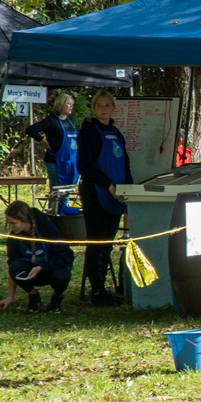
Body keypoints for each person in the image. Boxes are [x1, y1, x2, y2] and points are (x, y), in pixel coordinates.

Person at [75, 92, 130, 306]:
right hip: (95, 192)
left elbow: (125, 162)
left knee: (107, 243)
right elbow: (85, 166)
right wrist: (108, 184)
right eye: (99, 105)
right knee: (96, 242)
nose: (103, 109)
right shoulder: (88, 131)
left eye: (107, 105)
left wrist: (128, 187)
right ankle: (96, 291)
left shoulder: (116, 132)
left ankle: (104, 287)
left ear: (113, 108)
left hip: (116, 194)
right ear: (94, 108)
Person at [0, 199, 74, 314]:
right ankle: (33, 296)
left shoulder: (47, 228)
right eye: (8, 223)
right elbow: (12, 264)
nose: (10, 227)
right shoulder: (14, 237)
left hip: (51, 270)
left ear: (25, 220)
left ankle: (57, 298)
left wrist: (43, 267)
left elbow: (66, 256)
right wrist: (10, 297)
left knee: (61, 275)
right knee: (15, 266)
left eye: (13, 223)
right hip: (31, 273)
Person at [27, 94, 83, 216]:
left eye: (72, 104)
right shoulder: (51, 120)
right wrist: (42, 140)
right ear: (60, 104)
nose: (71, 107)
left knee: (68, 188)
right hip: (55, 160)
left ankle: (64, 212)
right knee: (57, 190)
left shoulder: (71, 120)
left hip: (70, 161)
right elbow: (30, 129)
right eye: (68, 104)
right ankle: (54, 216)